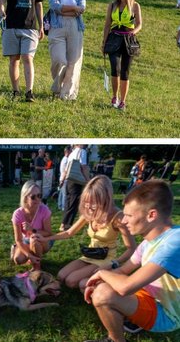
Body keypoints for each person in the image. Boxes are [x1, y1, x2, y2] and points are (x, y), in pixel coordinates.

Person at [83, 180, 179, 342]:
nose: (124, 221)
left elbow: (125, 287)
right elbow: (122, 270)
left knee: (102, 294)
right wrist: (100, 281)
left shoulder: (174, 243)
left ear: (151, 215)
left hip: (168, 313)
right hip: (149, 296)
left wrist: (101, 274)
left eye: (129, 215)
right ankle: (129, 319)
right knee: (103, 287)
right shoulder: (149, 241)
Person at [35, 175, 136, 294]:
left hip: (106, 258)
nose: (88, 206)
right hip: (90, 253)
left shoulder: (118, 217)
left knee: (71, 281)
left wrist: (114, 263)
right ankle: (90, 280)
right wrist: (46, 238)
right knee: (61, 276)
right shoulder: (90, 211)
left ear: (105, 198)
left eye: (93, 202)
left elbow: (131, 248)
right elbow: (69, 232)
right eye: (86, 202)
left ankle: (102, 279)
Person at [0, 0, 44, 102]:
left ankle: (29, 91)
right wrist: (2, 11)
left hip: (30, 27)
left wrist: (41, 25)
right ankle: (15, 91)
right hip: (11, 25)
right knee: (14, 59)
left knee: (27, 57)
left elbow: (38, 4)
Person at [102, 0, 142, 110]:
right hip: (114, 38)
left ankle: (123, 101)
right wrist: (104, 42)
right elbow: (107, 25)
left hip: (128, 40)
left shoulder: (135, 6)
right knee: (115, 67)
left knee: (125, 70)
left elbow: (139, 24)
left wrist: (133, 32)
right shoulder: (112, 5)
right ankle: (115, 96)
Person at [48, 0, 86, 100]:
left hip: (75, 28)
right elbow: (55, 7)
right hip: (57, 27)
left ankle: (67, 94)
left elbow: (82, 9)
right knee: (59, 60)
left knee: (73, 63)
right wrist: (74, 9)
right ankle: (57, 88)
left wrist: (63, 10)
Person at [11, 181, 54, 271]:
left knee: (34, 239)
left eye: (39, 195)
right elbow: (18, 240)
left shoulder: (44, 210)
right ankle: (30, 255)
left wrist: (32, 230)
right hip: (26, 240)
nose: (38, 199)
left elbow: (49, 233)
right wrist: (29, 255)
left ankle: (37, 267)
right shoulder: (18, 214)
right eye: (33, 197)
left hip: (45, 240)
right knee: (18, 259)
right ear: (25, 198)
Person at [60, 144, 89, 231]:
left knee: (68, 202)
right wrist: (88, 180)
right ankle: (67, 224)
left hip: (69, 180)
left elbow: (66, 170)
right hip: (77, 180)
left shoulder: (72, 153)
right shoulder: (82, 151)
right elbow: (83, 167)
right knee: (74, 203)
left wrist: (62, 180)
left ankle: (63, 223)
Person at [58, 146, 72, 211]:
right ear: (67, 151)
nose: (71, 152)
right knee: (64, 194)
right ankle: (64, 207)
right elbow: (66, 171)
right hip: (64, 179)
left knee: (61, 193)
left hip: (61, 178)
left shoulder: (63, 158)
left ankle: (60, 205)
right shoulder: (66, 160)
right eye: (70, 151)